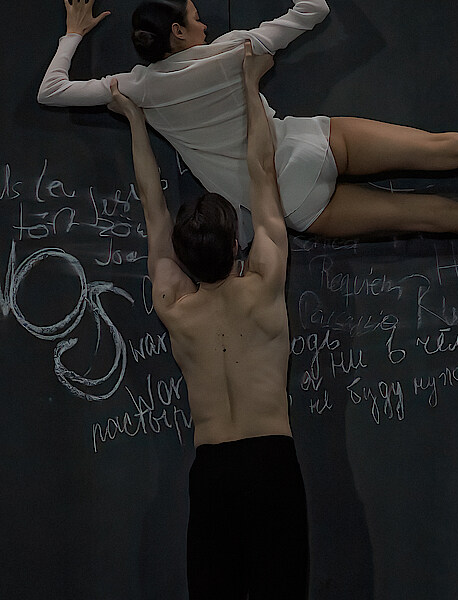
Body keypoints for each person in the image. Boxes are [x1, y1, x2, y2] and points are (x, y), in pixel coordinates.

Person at [39, 0, 458, 241]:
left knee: (442, 216)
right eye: (194, 20)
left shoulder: (136, 86)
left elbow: (53, 92)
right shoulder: (234, 49)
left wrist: (72, 35)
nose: (205, 25)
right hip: (305, 142)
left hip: (285, 202)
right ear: (177, 35)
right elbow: (313, 8)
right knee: (449, 148)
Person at [107, 42, 308, 598]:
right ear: (238, 241)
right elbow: (262, 170)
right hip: (271, 463)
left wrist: (135, 119)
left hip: (214, 470)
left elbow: (154, 209)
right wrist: (249, 83)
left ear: (184, 259)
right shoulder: (264, 282)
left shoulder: (176, 306)